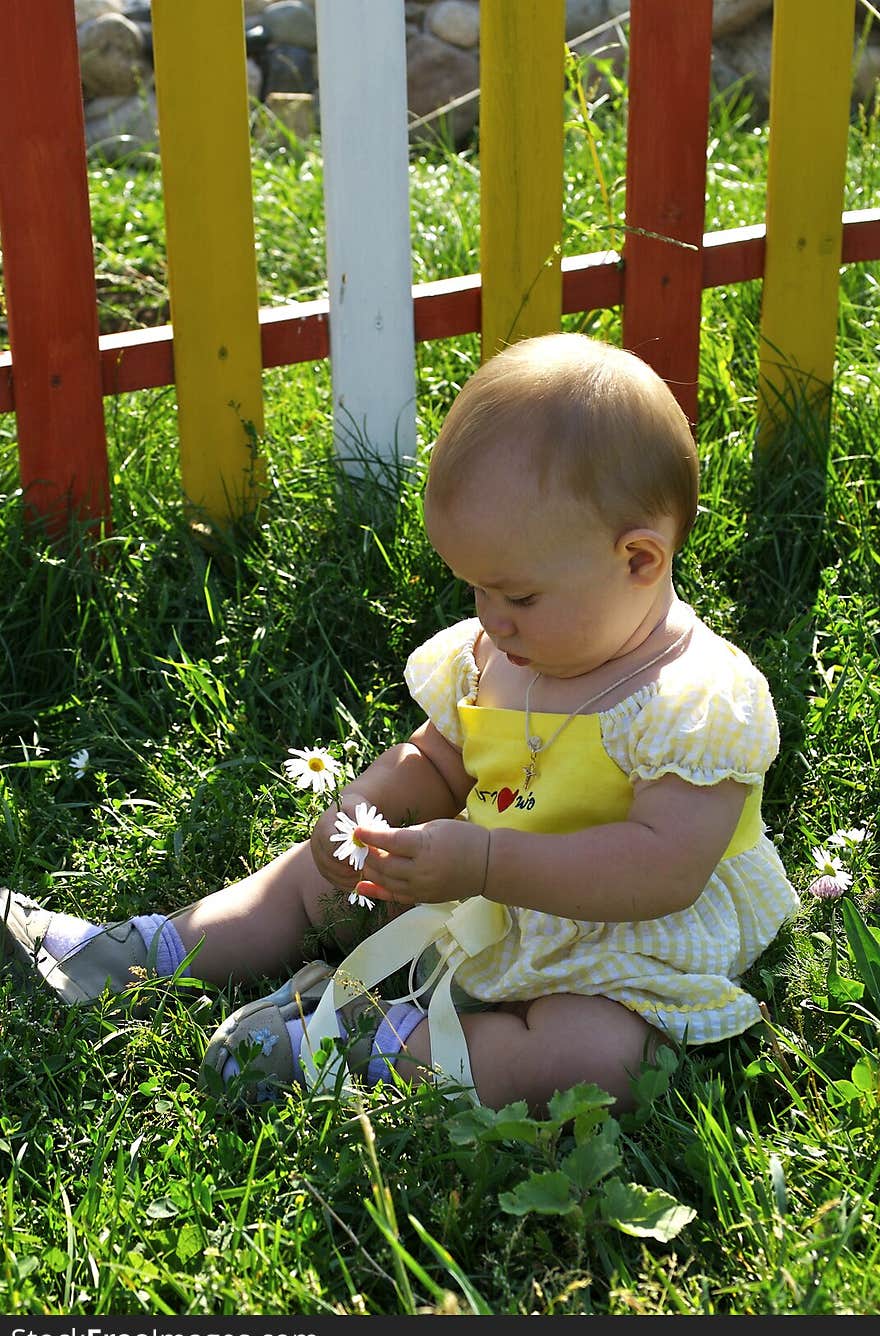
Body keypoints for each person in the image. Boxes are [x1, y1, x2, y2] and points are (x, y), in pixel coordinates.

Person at [1, 333, 800, 1115]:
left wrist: (489, 860)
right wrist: (367, 809)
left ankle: (372, 1043)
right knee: (319, 877)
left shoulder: (694, 701)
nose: (491, 618)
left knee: (599, 1057)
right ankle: (143, 950)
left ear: (638, 561)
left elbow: (662, 869)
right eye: (475, 589)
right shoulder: (499, 653)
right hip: (479, 888)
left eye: (517, 595)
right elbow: (440, 759)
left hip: (626, 950)